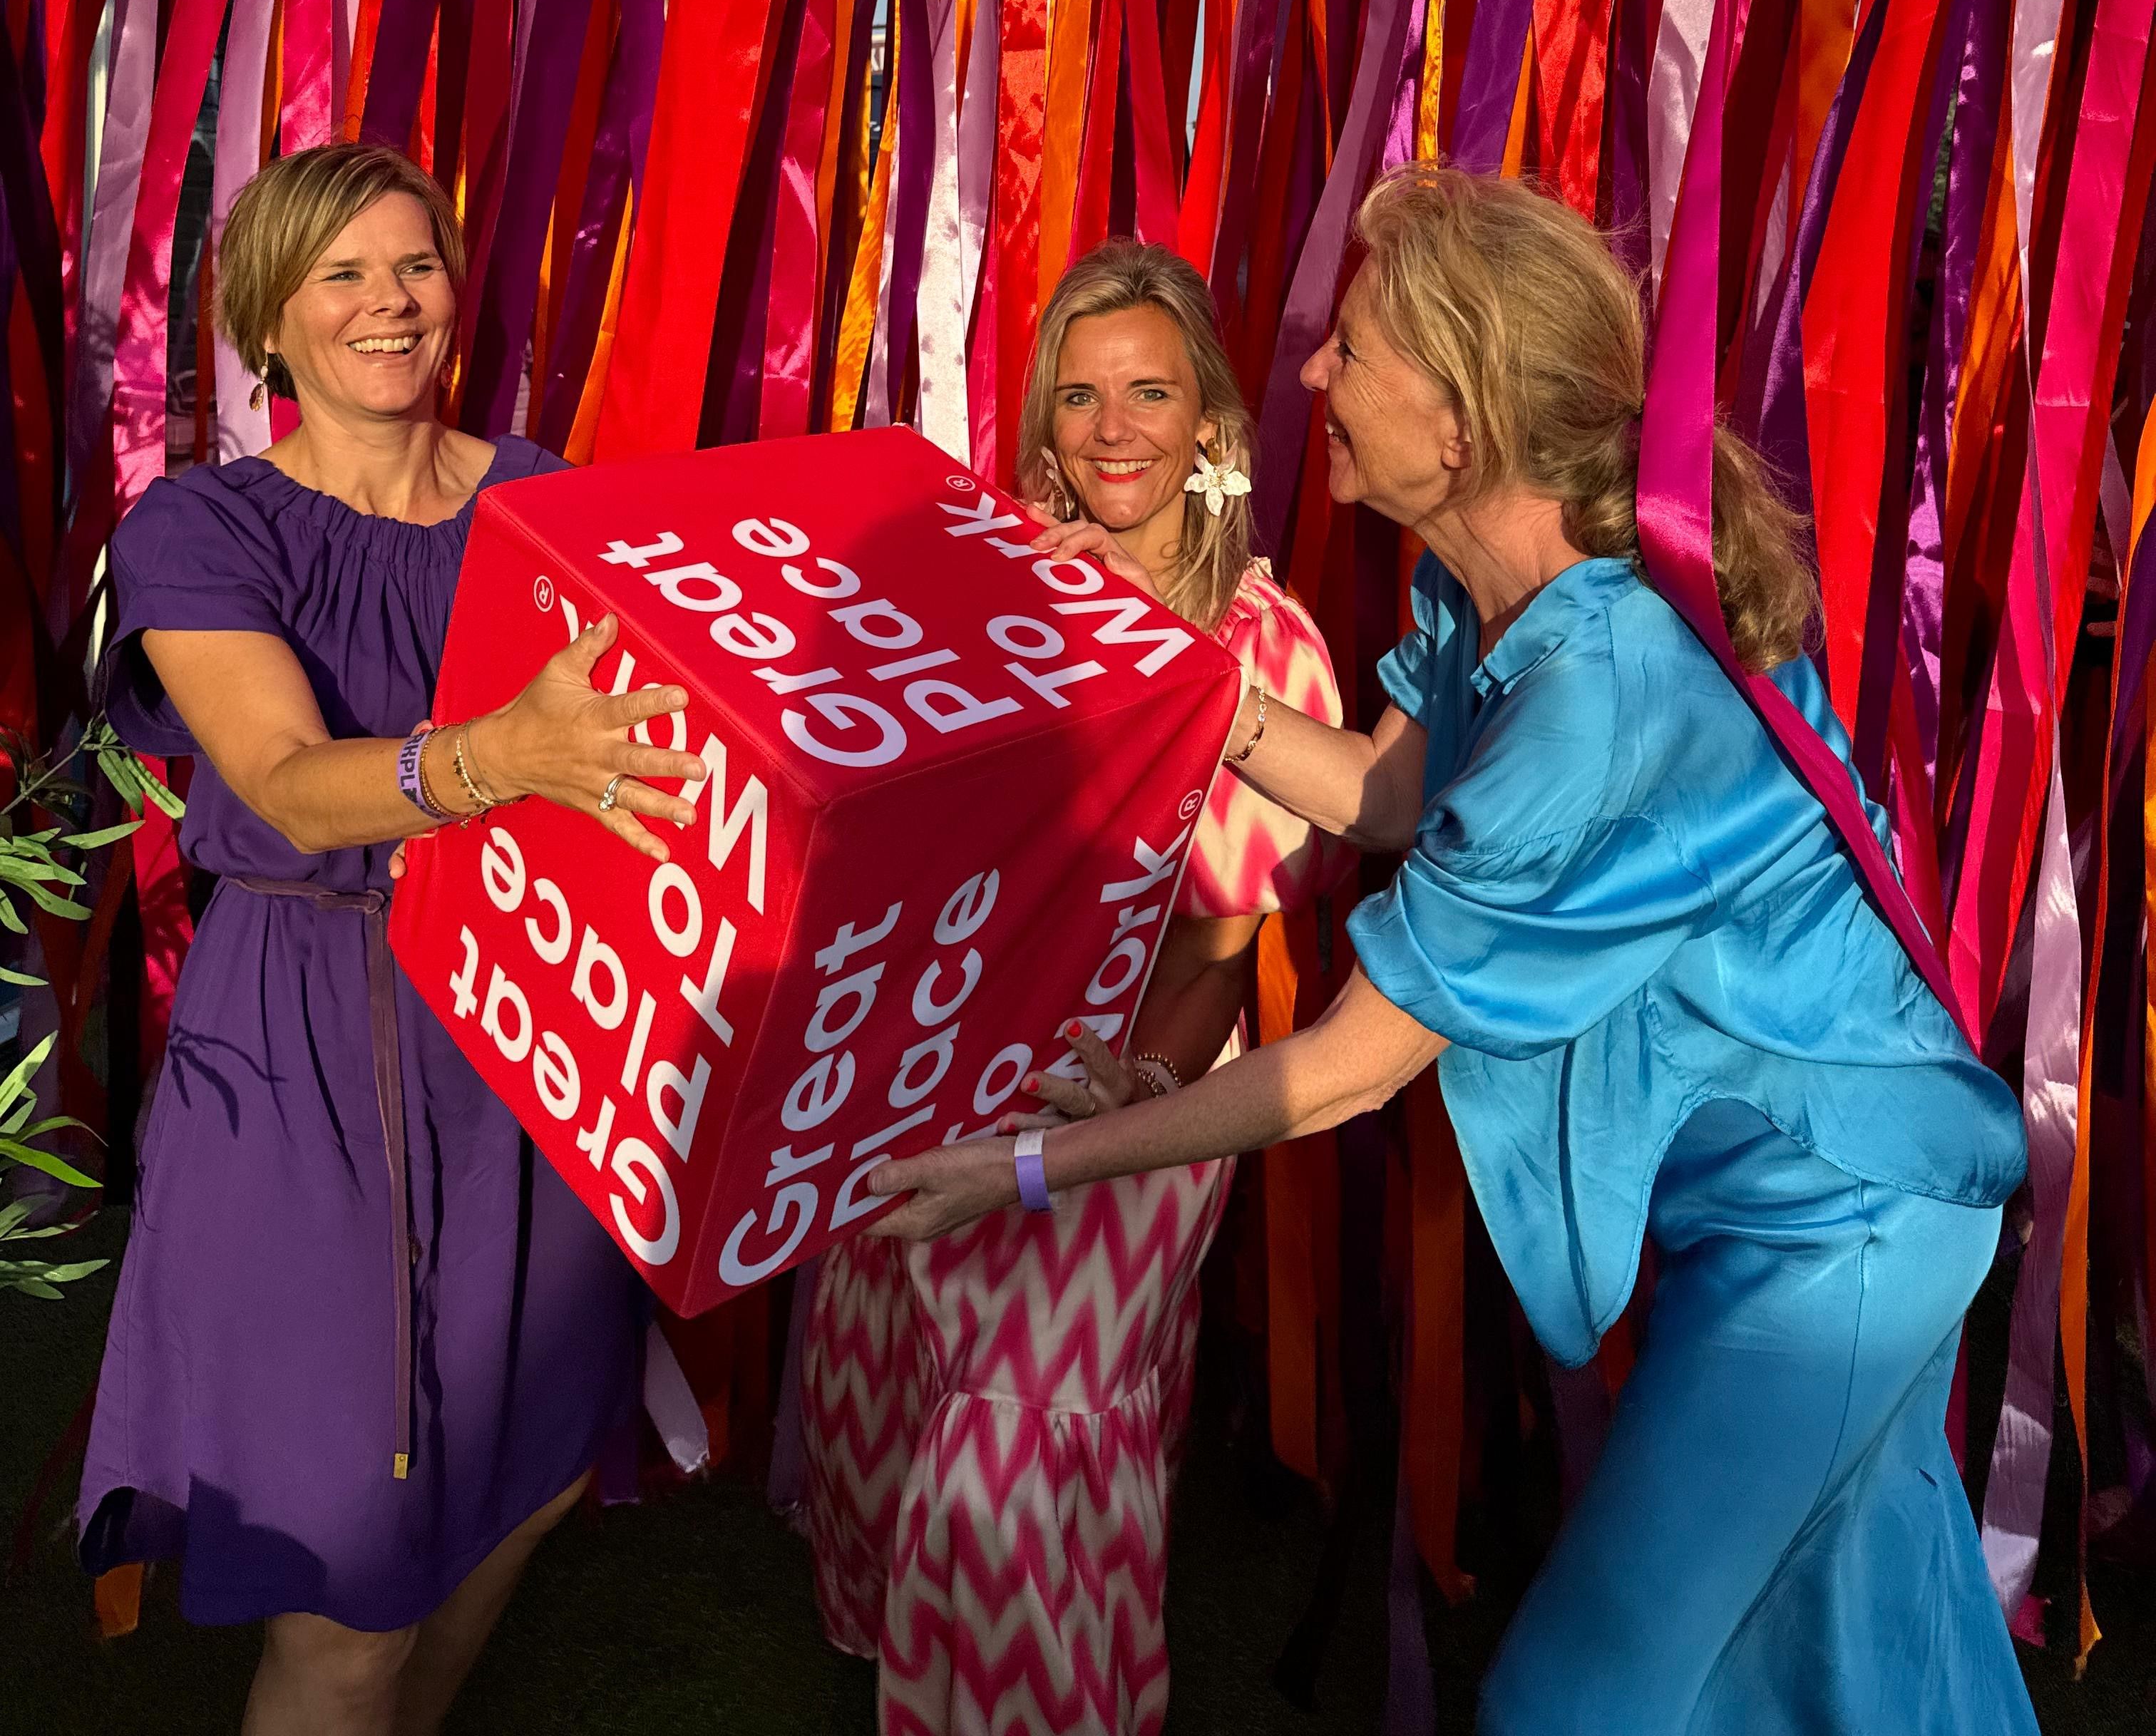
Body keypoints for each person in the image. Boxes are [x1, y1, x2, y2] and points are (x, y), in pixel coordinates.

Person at [869, 165, 2038, 1736]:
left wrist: (1018, 1169)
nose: (1311, 374)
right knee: (1877, 1658)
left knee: (1573, 1699)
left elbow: (1350, 1071)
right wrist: (1163, 661)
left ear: (1464, 420)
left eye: (1352, 351)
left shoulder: (1595, 701)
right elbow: (1381, 793)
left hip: (1842, 1229)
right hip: (1806, 1203)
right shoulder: (1481, 584)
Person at [78, 143, 709, 1736]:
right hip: (302, 1044)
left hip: (537, 1031)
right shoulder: (200, 527)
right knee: (349, 1585)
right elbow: (289, 782)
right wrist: (496, 758)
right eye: (341, 274)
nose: (389, 302)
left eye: (414, 265)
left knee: (527, 1480)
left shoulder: (545, 496)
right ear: (267, 318)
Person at [799, 240, 1349, 1733]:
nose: (1113, 430)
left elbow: (1216, 951)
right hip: (928, 1062)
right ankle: (908, 1640)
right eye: (1080, 396)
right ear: (1043, 418)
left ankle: (1029, 1696)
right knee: (899, 1366)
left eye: (1149, 393)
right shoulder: (979, 592)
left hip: (1134, 1090)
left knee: (1020, 1448)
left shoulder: (1264, 648)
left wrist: (1132, 1096)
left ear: (1210, 421)